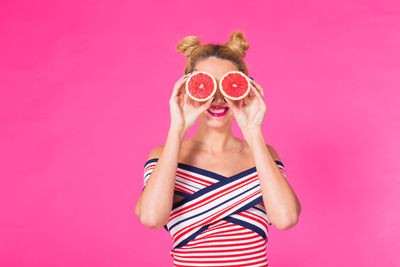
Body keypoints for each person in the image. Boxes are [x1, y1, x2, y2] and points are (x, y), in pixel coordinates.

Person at [135, 31, 301, 267]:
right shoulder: (165, 155)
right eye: (206, 85)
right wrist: (177, 128)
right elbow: (151, 218)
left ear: (245, 90)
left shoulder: (262, 154)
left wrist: (253, 131)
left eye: (228, 85)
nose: (217, 98)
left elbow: (285, 219)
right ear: (187, 89)